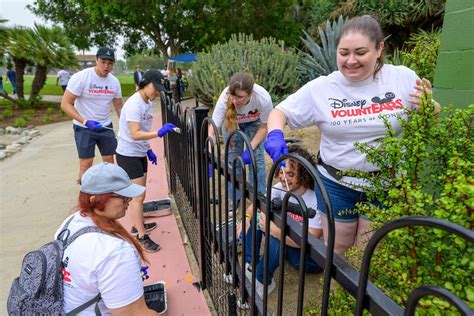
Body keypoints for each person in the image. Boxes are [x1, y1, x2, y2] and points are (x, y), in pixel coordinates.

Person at [264, 15, 440, 256]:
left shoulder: (402, 78)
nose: (351, 60)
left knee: (368, 252)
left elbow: (432, 114)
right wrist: (275, 133)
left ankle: (357, 295)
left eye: (360, 52)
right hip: (337, 184)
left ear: (379, 49)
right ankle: (337, 293)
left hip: (385, 184)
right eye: (344, 52)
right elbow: (279, 111)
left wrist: (430, 108)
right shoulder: (323, 88)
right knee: (337, 248)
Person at [55, 162, 161, 315]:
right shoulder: (113, 252)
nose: (129, 201)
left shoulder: (70, 222)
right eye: (122, 196)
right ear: (95, 200)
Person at [230, 145, 323, 300]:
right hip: (288, 243)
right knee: (259, 216)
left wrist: (274, 231)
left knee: (274, 232)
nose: (283, 177)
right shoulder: (281, 188)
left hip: (308, 258)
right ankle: (249, 264)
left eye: (290, 174)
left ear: (304, 176)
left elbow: (310, 240)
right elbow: (257, 205)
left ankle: (263, 280)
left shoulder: (315, 199)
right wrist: (246, 218)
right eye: (281, 172)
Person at [116, 70, 177, 252]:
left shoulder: (147, 104)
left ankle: (138, 223)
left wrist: (148, 149)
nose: (156, 92)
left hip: (139, 152)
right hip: (128, 154)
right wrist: (158, 134)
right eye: (154, 88)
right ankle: (141, 235)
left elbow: (142, 131)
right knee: (137, 196)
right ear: (145, 83)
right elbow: (134, 133)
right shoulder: (134, 104)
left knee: (141, 193)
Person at [209, 71, 273, 207]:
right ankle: (234, 197)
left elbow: (265, 126)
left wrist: (251, 148)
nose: (235, 100)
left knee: (257, 159)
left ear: (251, 94)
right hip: (232, 122)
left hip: (255, 124)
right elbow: (213, 128)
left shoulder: (263, 98)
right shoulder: (225, 98)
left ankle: (259, 196)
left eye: (240, 97)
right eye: (233, 96)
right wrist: (209, 154)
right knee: (233, 160)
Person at [61, 47, 123, 183]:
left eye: (110, 63)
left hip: (105, 125)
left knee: (109, 161)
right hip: (84, 126)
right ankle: (84, 197)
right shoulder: (81, 77)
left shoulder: (114, 82)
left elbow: (118, 105)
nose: (106, 66)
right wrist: (84, 121)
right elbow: (65, 104)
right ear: (96, 60)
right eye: (103, 62)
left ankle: (109, 192)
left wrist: (126, 126)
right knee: (86, 163)